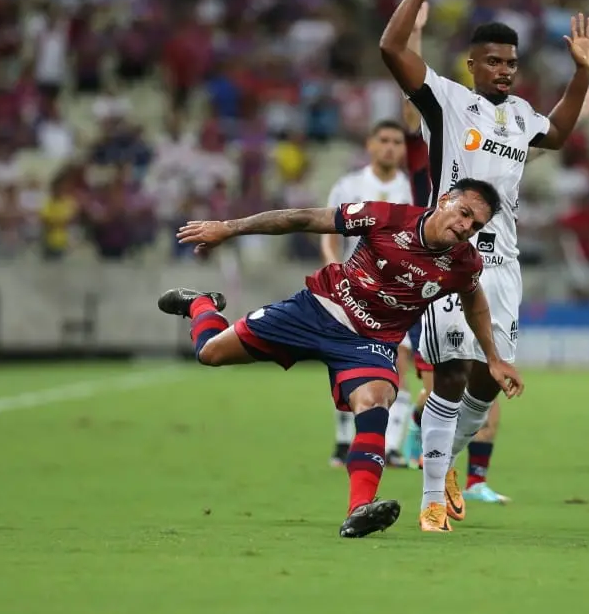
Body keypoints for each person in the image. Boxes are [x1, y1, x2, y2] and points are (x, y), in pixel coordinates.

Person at [160, 178, 524, 538]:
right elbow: (303, 218)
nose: (465, 227)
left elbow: (475, 303)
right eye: (464, 213)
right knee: (210, 353)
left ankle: (359, 510)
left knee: (376, 400)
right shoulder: (386, 217)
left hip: (369, 342)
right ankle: (201, 305)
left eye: (475, 225)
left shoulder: (464, 263)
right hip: (318, 309)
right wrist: (229, 228)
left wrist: (493, 358)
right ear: (444, 200)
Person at [379, 0, 589, 530]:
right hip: (447, 261)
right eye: (494, 62)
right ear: (472, 64)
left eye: (511, 63)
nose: (504, 71)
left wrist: (581, 74)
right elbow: (391, 47)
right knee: (450, 374)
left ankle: (444, 462)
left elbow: (558, 135)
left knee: (487, 385)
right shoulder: (446, 102)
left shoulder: (522, 115)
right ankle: (431, 501)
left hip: (503, 267)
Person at [321, 120, 416, 469]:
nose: (390, 147)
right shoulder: (349, 186)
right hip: (353, 289)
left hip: (398, 293)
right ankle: (343, 441)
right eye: (384, 140)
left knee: (399, 362)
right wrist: (334, 270)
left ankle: (390, 446)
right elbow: (329, 233)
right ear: (370, 144)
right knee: (347, 363)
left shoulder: (413, 190)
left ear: (404, 149)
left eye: (397, 141)